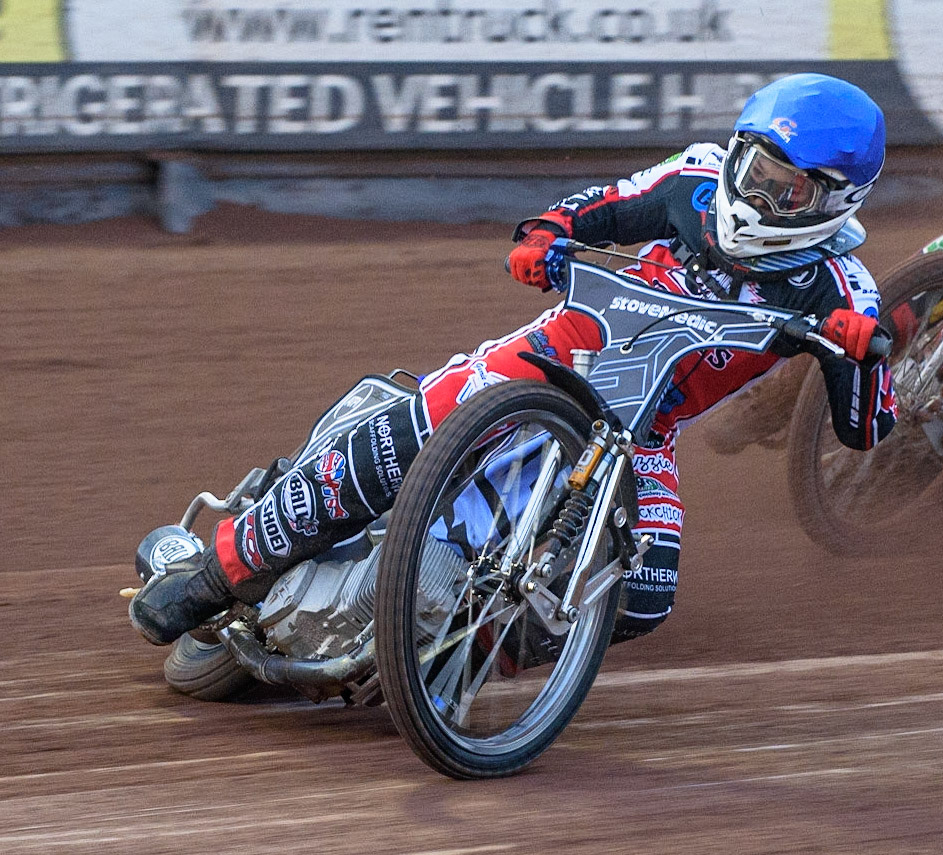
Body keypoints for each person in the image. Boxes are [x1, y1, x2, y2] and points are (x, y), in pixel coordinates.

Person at [130, 72, 897, 654]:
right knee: (400, 441)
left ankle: (456, 659)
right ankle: (213, 577)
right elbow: (595, 207)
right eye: (752, 165)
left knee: (644, 597)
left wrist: (862, 353)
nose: (754, 192)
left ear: (835, 200)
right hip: (547, 357)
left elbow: (865, 432)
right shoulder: (695, 179)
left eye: (782, 187)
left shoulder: (845, 288)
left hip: (642, 433)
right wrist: (544, 236)